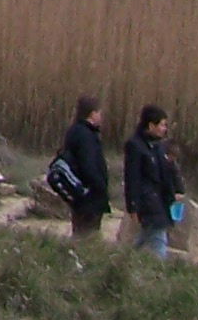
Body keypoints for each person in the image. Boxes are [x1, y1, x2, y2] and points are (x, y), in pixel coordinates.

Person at [124, 105, 184, 257]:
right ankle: (159, 273)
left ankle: (125, 260)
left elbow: (167, 172)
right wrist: (133, 206)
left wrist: (176, 191)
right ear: (151, 125)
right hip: (148, 202)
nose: (165, 129)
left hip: (160, 201)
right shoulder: (135, 146)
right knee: (158, 238)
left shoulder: (158, 146)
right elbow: (132, 178)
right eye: (162, 125)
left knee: (146, 236)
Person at [57, 95, 113, 237]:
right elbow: (88, 165)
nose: (101, 117)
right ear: (92, 114)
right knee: (87, 235)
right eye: (99, 113)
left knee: (81, 232)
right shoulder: (85, 135)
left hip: (79, 193)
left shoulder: (76, 131)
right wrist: (100, 187)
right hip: (88, 197)